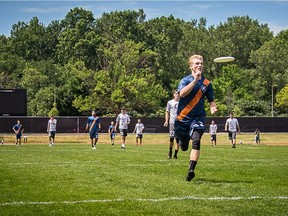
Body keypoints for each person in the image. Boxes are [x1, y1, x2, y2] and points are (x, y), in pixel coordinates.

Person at [175, 54, 217, 181]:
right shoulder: (185, 80)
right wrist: (195, 81)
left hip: (198, 117)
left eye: (201, 63)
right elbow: (182, 94)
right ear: (191, 66)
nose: (199, 65)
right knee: (184, 146)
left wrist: (212, 107)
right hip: (182, 119)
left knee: (196, 140)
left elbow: (211, 100)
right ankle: (183, 141)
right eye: (197, 63)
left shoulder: (207, 84)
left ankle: (191, 170)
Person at [164, 90, 180, 159]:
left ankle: (175, 154)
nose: (177, 95)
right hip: (172, 122)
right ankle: (170, 151)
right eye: (176, 93)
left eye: (178, 94)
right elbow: (167, 112)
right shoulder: (170, 102)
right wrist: (166, 121)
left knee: (178, 139)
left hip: (179, 122)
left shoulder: (182, 102)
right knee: (171, 138)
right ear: (174, 95)